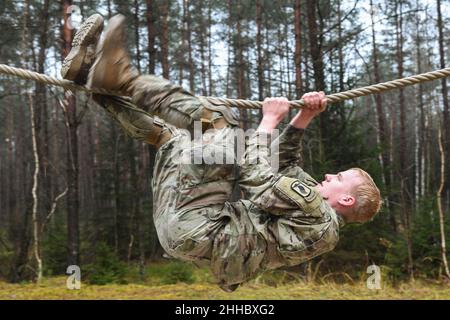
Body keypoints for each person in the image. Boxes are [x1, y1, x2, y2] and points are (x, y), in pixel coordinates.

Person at [62, 14, 382, 292]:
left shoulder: (315, 210)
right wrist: (304, 117)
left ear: (347, 200)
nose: (329, 175)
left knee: (219, 123)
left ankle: (121, 76)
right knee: (173, 140)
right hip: (182, 232)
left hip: (201, 224)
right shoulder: (318, 222)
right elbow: (284, 163)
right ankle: (88, 77)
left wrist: (269, 120)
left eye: (339, 177)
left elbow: (256, 173)